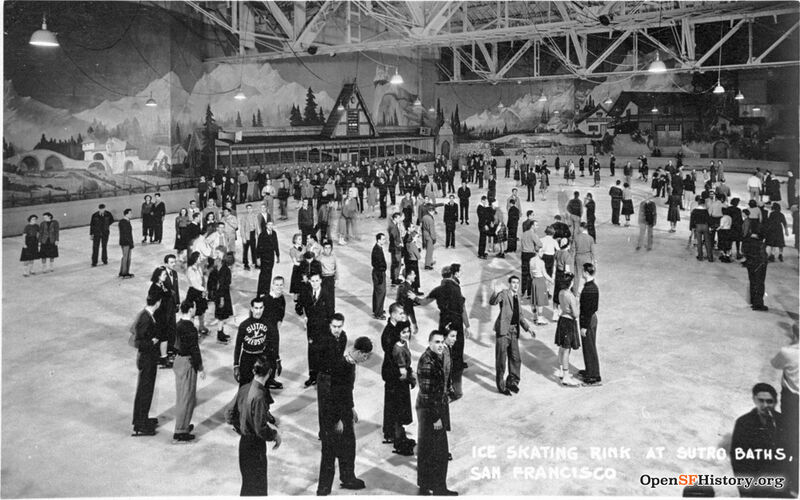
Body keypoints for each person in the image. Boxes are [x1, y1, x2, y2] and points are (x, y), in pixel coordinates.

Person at [316, 316, 372, 496]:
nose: (366, 359)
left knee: (349, 444)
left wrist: (351, 408)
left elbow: (347, 392)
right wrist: (338, 419)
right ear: (359, 352)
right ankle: (324, 487)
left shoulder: (350, 364)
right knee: (330, 447)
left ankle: (348, 477)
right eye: (365, 356)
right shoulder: (341, 367)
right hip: (335, 414)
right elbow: (333, 395)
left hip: (344, 410)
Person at [730, 383, 792, 497]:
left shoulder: (784, 422)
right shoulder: (743, 423)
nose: (765, 405)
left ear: (775, 401)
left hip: (781, 487)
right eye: (761, 400)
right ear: (754, 400)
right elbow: (737, 458)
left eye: (769, 401)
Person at [416, 331, 457, 496]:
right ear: (429, 342)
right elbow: (427, 394)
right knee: (440, 452)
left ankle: (425, 485)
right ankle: (439, 488)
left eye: (442, 342)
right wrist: (436, 418)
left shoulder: (434, 357)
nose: (440, 345)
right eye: (437, 342)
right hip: (431, 410)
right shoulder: (427, 362)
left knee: (427, 449)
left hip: (430, 408)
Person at [238, 356, 282, 496]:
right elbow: (260, 428)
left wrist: (243, 427)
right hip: (255, 446)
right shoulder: (260, 396)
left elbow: (229, 414)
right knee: (259, 488)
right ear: (269, 372)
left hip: (243, 443)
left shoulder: (244, 388)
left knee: (247, 485)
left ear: (253, 370)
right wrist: (274, 435)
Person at [490, 276, 533, 395]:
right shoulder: (504, 294)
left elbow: (520, 315)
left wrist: (528, 328)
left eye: (517, 283)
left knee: (515, 358)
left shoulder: (517, 297)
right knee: (501, 360)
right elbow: (493, 302)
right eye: (513, 283)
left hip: (514, 330)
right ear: (509, 284)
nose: (515, 285)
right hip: (504, 331)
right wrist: (495, 291)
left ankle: (512, 381)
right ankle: (502, 386)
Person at [173, 300, 205, 442]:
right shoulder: (190, 328)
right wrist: (201, 367)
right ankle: (180, 431)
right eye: (195, 306)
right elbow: (194, 350)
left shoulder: (178, 324)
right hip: (188, 363)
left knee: (182, 396)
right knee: (187, 398)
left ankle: (183, 425)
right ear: (191, 309)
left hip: (179, 361)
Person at [131, 293, 162, 436]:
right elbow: (137, 341)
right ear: (157, 302)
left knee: (147, 390)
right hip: (146, 358)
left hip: (150, 358)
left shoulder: (147, 315)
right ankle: (140, 424)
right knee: (144, 391)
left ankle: (143, 419)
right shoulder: (145, 318)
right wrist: (152, 342)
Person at [296, 273, 334, 387]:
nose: (315, 283)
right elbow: (299, 307)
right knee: (312, 351)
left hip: (324, 327)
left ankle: (322, 378)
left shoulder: (327, 294)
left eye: (317, 280)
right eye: (312, 281)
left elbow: (331, 312)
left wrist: (330, 327)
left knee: (323, 352)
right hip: (312, 328)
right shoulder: (307, 293)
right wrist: (304, 317)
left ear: (321, 281)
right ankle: (312, 376)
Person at [555, 273, 581, 386]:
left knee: (561, 348)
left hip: (562, 320)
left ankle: (562, 370)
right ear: (570, 283)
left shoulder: (561, 292)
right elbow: (576, 314)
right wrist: (578, 303)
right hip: (569, 322)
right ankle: (566, 376)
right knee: (566, 349)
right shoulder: (570, 296)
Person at [577, 263, 601, 386]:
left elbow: (588, 310)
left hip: (588, 320)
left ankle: (594, 375)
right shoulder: (592, 286)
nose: (581, 273)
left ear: (586, 272)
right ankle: (590, 370)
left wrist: (584, 327)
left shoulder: (588, 289)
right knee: (588, 346)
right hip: (591, 319)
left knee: (589, 347)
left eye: (582, 271)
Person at [210, 251, 234, 344]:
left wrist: (221, 298)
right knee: (221, 316)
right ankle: (220, 334)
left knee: (222, 316)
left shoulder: (224, 270)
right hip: (221, 296)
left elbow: (223, 285)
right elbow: (219, 285)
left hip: (222, 295)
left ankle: (221, 332)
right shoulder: (222, 271)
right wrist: (220, 298)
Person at [743, 232, 769, 311]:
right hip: (759, 265)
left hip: (750, 264)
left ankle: (754, 302)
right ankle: (758, 304)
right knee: (760, 283)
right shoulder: (761, 244)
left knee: (752, 282)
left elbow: (743, 253)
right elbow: (763, 256)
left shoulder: (746, 243)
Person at [256, 220, 280, 297]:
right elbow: (258, 247)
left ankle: (266, 292)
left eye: (272, 225)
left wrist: (278, 255)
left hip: (271, 257)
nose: (270, 226)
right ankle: (260, 292)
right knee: (263, 275)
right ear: (266, 225)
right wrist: (258, 258)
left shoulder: (274, 233)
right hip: (264, 257)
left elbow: (276, 245)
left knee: (269, 274)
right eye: (269, 225)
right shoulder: (262, 235)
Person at [572, 223, 595, 294]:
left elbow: (573, 250)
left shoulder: (576, 237)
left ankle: (575, 292)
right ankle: (588, 291)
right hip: (587, 257)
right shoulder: (590, 238)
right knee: (588, 275)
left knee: (577, 276)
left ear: (582, 228)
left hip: (578, 257)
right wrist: (593, 260)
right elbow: (592, 251)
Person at [690, 197, 713, 262]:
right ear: (704, 203)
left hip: (698, 226)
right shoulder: (705, 211)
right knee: (707, 242)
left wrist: (692, 227)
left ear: (698, 203)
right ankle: (710, 257)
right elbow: (709, 219)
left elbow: (692, 220)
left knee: (699, 242)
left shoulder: (694, 210)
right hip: (705, 226)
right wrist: (710, 226)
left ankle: (700, 256)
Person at [239, 204, 260, 271]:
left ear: (252, 209)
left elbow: (257, 226)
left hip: (253, 234)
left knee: (254, 249)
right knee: (245, 250)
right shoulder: (244, 217)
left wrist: (258, 234)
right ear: (246, 209)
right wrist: (243, 238)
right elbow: (242, 228)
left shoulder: (254, 216)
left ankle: (255, 263)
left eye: (250, 208)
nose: (249, 210)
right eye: (248, 208)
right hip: (246, 234)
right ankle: (246, 264)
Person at [372, 233, 388, 320]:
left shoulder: (378, 248)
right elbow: (376, 263)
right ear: (378, 240)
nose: (384, 241)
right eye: (383, 239)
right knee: (381, 292)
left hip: (378, 272)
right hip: (379, 273)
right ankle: (378, 313)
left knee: (377, 292)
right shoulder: (377, 250)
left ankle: (377, 309)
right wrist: (381, 273)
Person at [118, 209, 135, 279]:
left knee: (127, 258)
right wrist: (130, 243)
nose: (131, 214)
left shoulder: (126, 221)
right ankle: (124, 273)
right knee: (126, 258)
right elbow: (125, 234)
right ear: (126, 214)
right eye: (130, 213)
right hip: (126, 242)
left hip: (127, 242)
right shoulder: (123, 222)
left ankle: (124, 272)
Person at [421, 205, 437, 270]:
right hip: (429, 235)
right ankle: (427, 264)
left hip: (424, 234)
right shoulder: (430, 219)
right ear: (431, 211)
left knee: (428, 249)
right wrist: (434, 238)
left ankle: (430, 261)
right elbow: (432, 230)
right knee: (429, 250)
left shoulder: (424, 217)